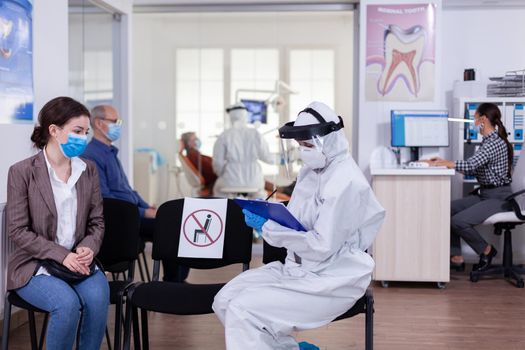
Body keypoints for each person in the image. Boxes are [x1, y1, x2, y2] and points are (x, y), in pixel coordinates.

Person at [212, 102, 386, 350]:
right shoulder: (310, 171)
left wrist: (267, 228)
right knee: (225, 300)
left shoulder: (345, 181)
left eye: (308, 145)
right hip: (297, 268)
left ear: (330, 139)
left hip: (332, 278)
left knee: (243, 308)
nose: (304, 151)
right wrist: (268, 216)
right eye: (300, 146)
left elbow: (321, 246)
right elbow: (294, 223)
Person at [6, 96, 109, 350]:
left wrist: (88, 248)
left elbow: (97, 222)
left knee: (98, 297)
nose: (83, 138)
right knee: (67, 304)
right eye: (77, 131)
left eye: (86, 132)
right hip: (35, 265)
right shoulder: (22, 172)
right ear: (54, 130)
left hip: (78, 263)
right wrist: (62, 255)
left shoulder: (89, 169)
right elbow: (17, 230)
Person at [82, 105, 189, 282]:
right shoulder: (91, 155)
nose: (118, 125)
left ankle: (176, 282)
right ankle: (172, 284)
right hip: (121, 219)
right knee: (172, 229)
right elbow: (106, 200)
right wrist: (143, 213)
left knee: (178, 223)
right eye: (115, 121)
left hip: (133, 213)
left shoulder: (110, 152)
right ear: (99, 123)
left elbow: (127, 190)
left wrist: (147, 207)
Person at [425, 102, 513, 272]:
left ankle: (486, 251)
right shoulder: (488, 141)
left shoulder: (493, 143)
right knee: (447, 209)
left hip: (499, 197)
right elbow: (473, 166)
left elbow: (471, 166)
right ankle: (456, 256)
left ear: (483, 119)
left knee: (458, 221)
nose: (472, 121)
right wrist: (444, 163)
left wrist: (445, 163)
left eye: (474, 117)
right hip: (486, 194)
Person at [213, 102, 276, 198]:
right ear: (245, 116)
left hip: (230, 180)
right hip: (254, 180)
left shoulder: (224, 135)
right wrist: (283, 159)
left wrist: (220, 173)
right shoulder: (255, 134)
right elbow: (267, 158)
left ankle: (227, 211)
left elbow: (218, 163)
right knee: (259, 198)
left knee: (218, 192)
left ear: (231, 117)